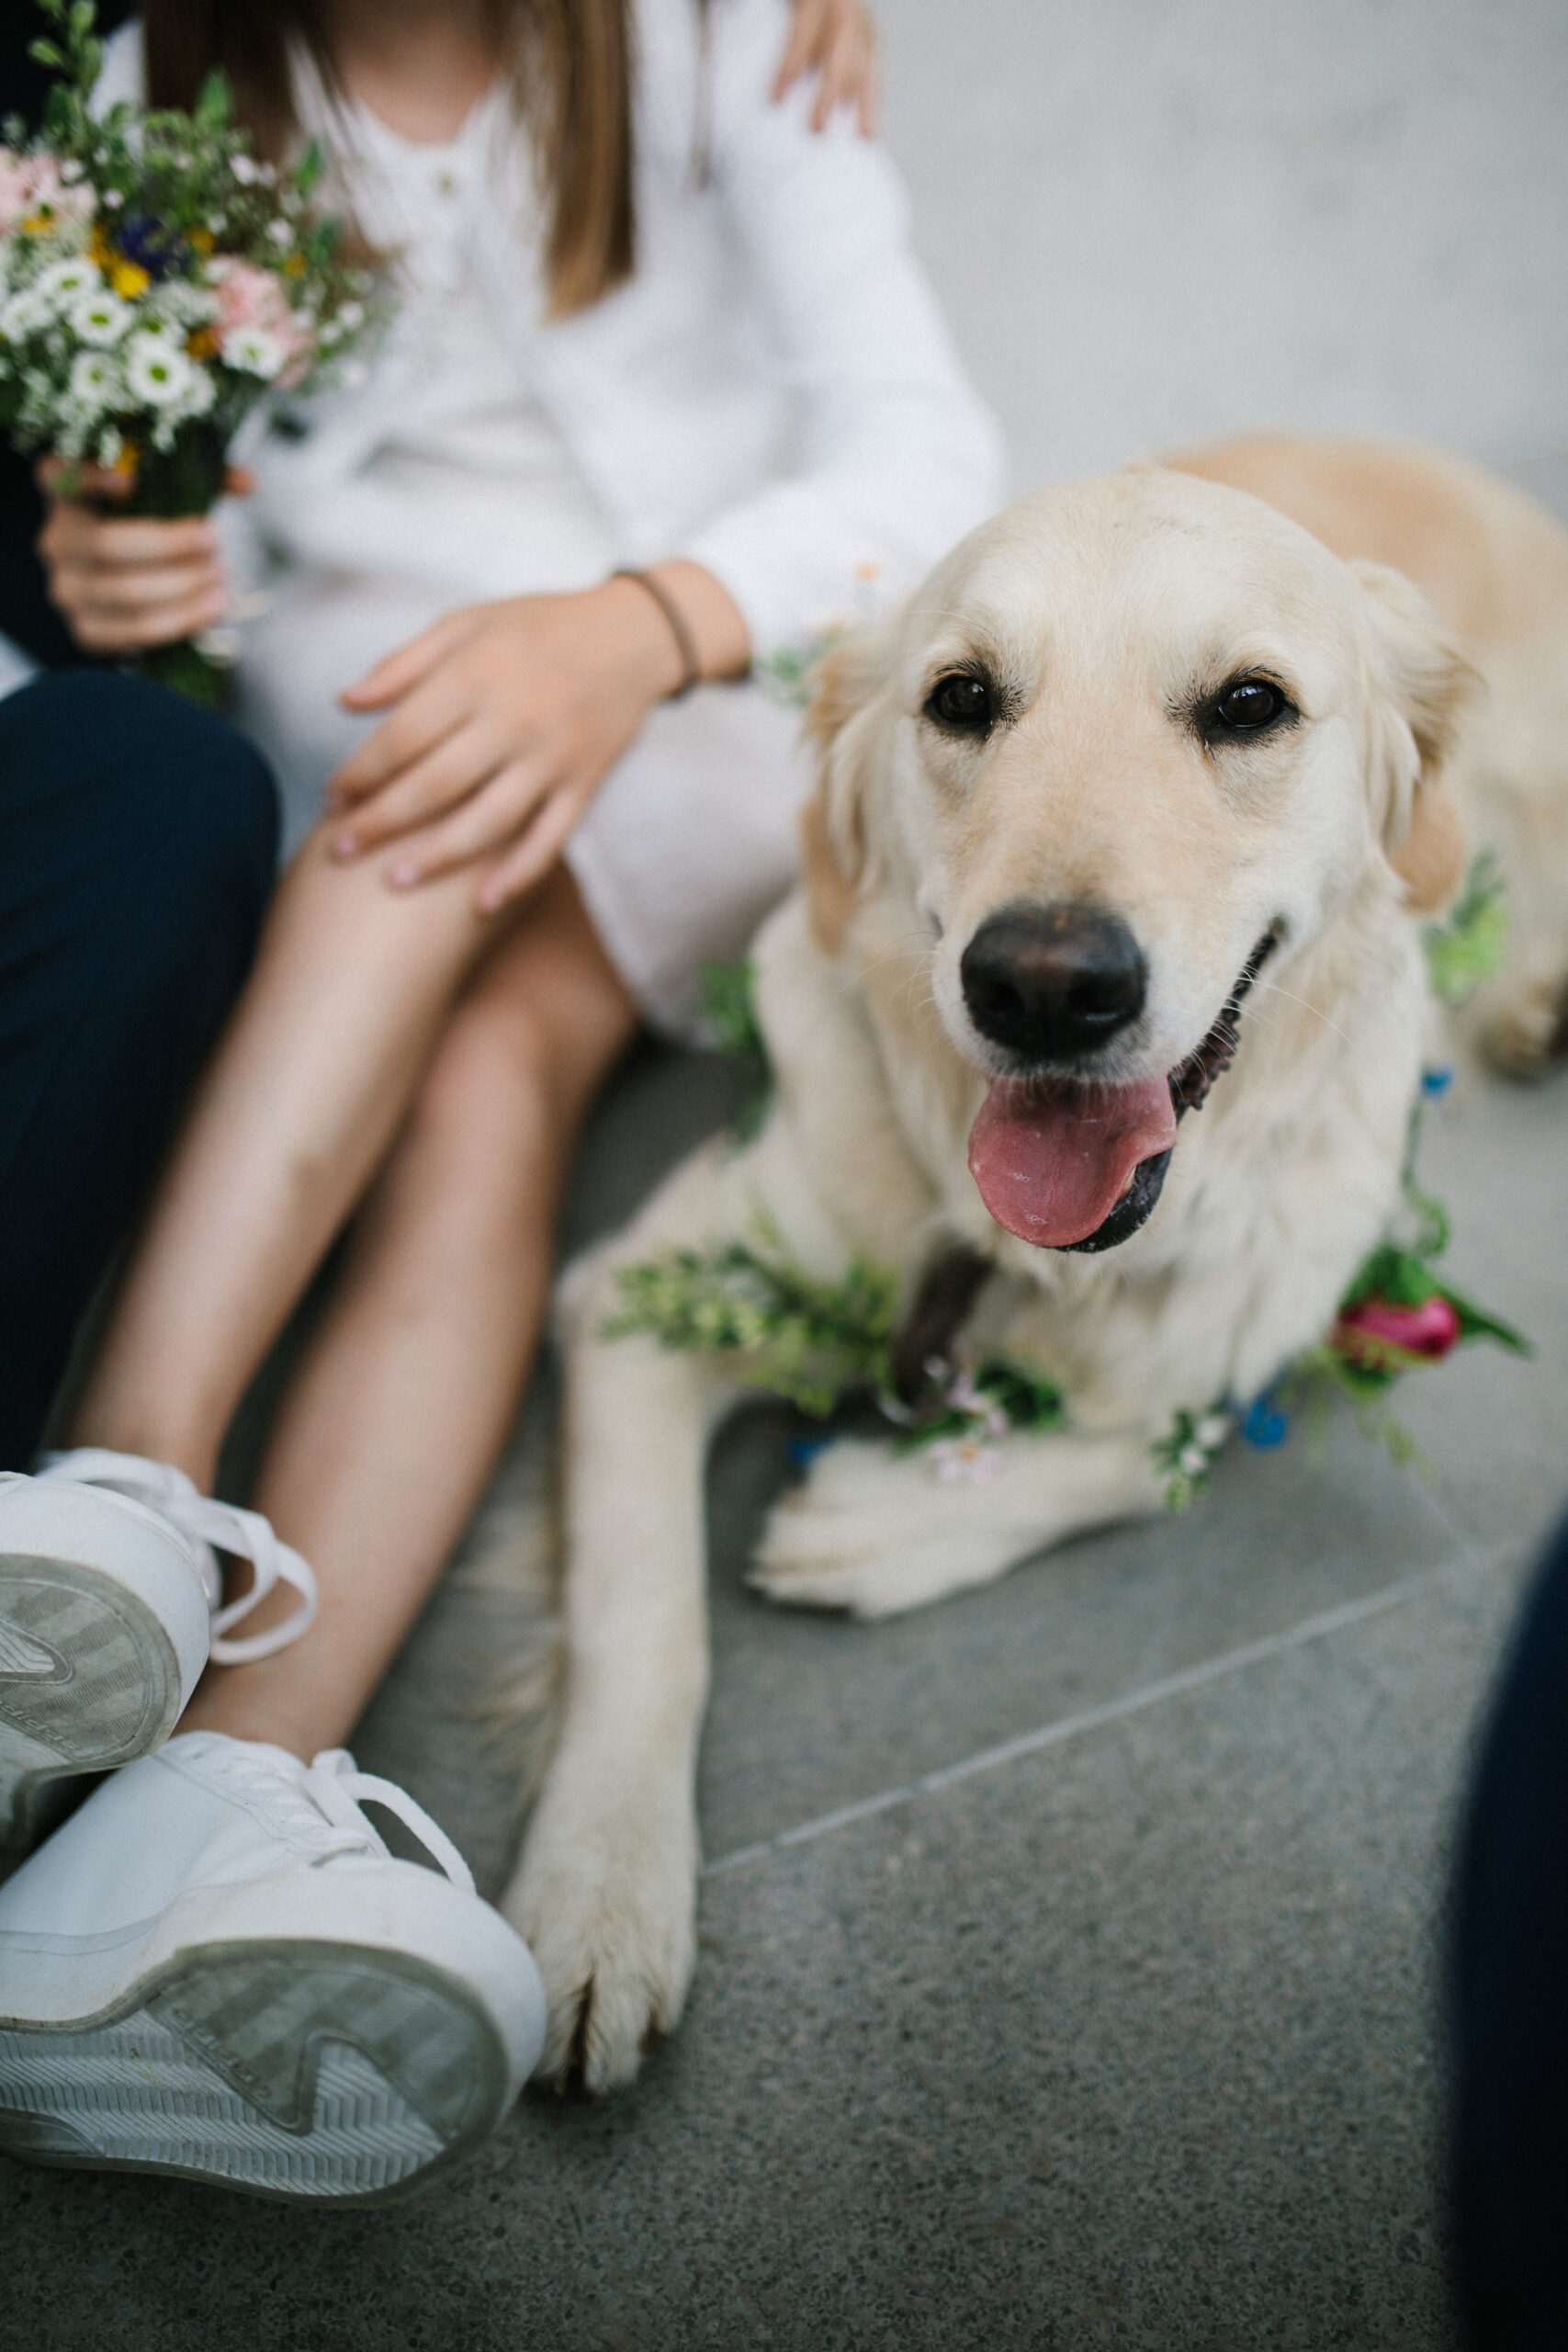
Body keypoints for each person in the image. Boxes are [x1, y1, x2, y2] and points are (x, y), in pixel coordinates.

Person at [0, 0, 1003, 2202]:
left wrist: (628, 627)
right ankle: (186, 1818)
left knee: (435, 881)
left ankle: (131, 1507)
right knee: (471, 1056)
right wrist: (108, 543)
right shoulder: (148, 60)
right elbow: (139, 457)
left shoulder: (725, 33)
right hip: (345, 677)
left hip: (701, 669)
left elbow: (932, 459)